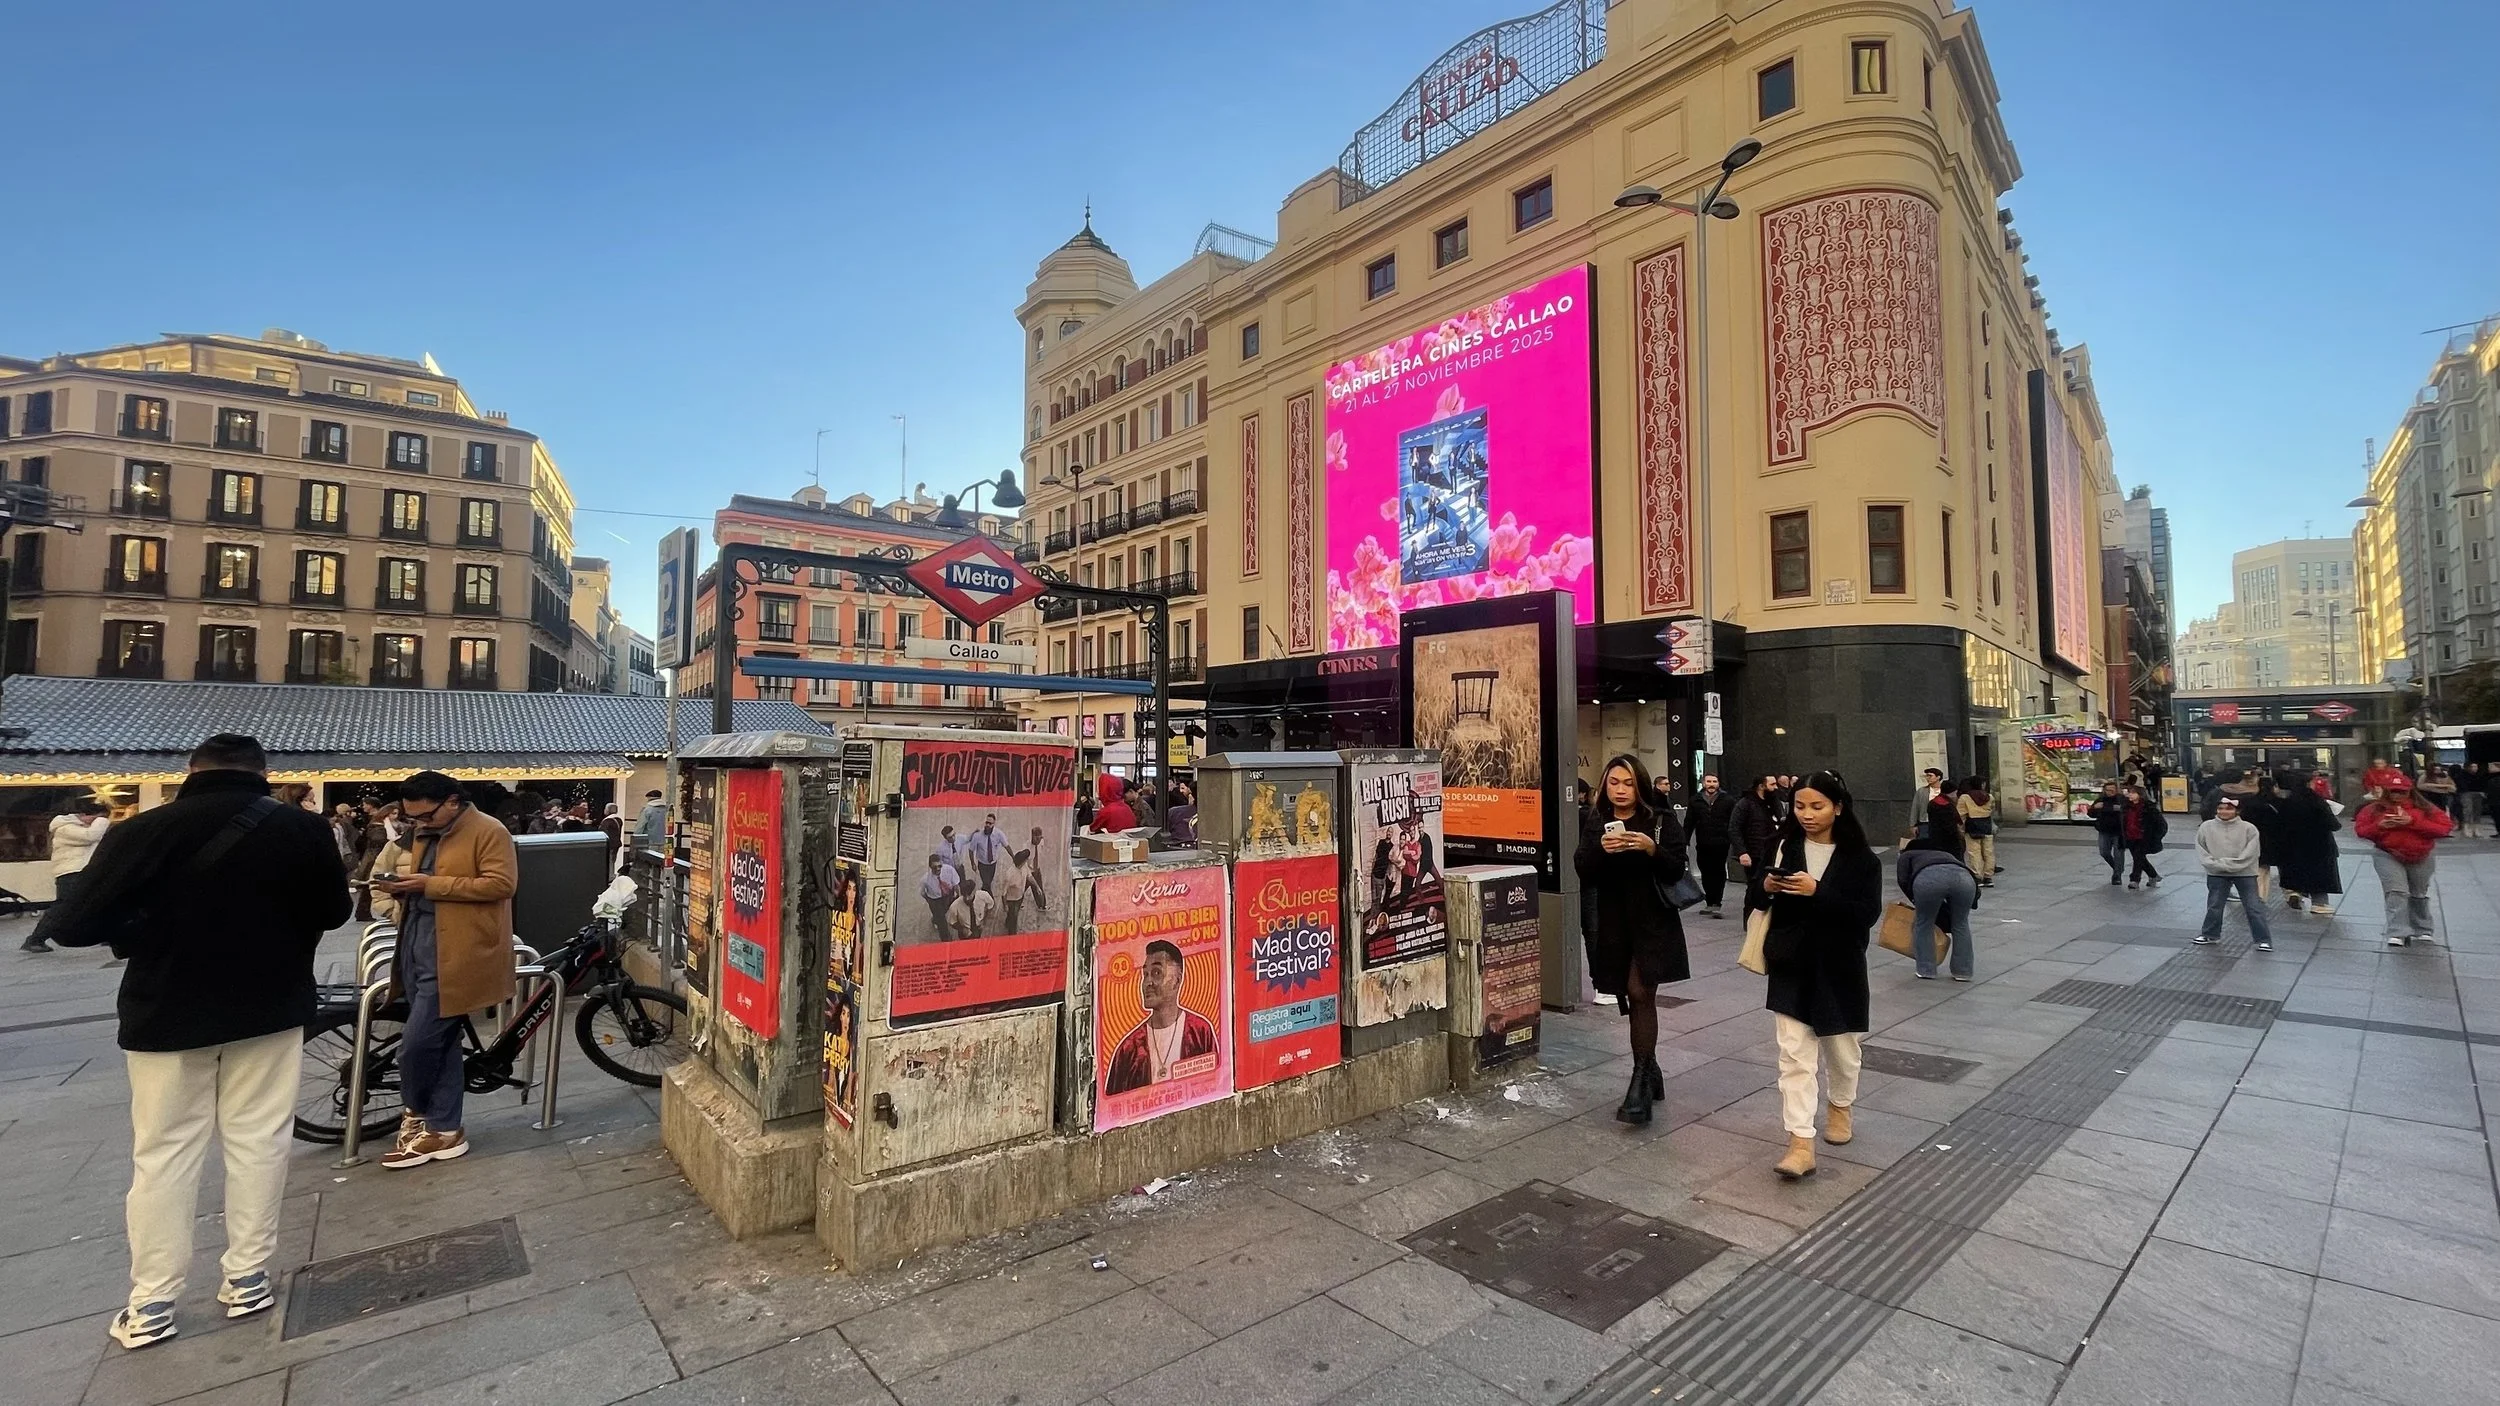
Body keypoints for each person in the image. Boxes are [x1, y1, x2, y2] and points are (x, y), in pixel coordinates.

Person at [27, 733, 350, 1349]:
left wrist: (148, 925)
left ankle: (152, 1301)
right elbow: (334, 913)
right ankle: (248, 1276)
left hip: (167, 1010)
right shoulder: (301, 830)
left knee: (164, 1154)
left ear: (191, 769)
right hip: (271, 1004)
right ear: (262, 772)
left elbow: (70, 926)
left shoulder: (143, 830)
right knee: (260, 1141)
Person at [369, 770, 518, 1170]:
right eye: (412, 817)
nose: (419, 823)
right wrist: (402, 887)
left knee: (416, 1047)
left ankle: (416, 1112)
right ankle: (445, 1129)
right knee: (442, 1043)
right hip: (417, 942)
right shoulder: (424, 831)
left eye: (426, 816)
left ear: (453, 801)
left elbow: (501, 885)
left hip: (458, 952)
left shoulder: (489, 830)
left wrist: (429, 885)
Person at [1758, 770, 1882, 1181]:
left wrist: (1819, 892)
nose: (1807, 814)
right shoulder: (1782, 845)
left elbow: (1866, 914)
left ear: (1838, 808)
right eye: (1799, 806)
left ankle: (1841, 1105)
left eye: (1817, 806)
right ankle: (1800, 1142)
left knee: (1843, 1052)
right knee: (1794, 1055)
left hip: (1840, 966)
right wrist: (1767, 886)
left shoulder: (1861, 858)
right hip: (1791, 962)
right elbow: (1756, 896)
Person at [1573, 754, 1691, 1125]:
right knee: (1628, 995)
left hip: (1653, 921)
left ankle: (1639, 1080)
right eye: (1613, 783)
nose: (1620, 790)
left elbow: (1676, 866)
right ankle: (1651, 1069)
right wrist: (1600, 851)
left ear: (1639, 784)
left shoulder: (1659, 819)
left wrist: (1650, 848)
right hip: (1615, 922)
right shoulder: (1597, 821)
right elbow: (1582, 867)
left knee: (1641, 992)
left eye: (1627, 783)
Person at [1102, 939, 1218, 1094]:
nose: (1147, 982)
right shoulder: (1128, 1049)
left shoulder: (1200, 1031)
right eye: (1145, 974)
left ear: (1177, 981)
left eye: (1157, 973)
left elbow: (1215, 1084)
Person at [2355, 773, 2454, 947]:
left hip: (2421, 855)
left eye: (2401, 792)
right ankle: (2397, 931)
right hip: (2387, 853)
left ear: (2410, 791)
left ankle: (2423, 929)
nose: (2397, 795)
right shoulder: (2373, 809)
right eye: (2393, 791)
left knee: (2418, 893)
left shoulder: (2426, 808)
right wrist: (2379, 826)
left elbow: (2444, 828)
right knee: (2396, 892)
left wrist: (2412, 822)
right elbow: (2361, 830)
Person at [1898, 800, 1980, 981]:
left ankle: (1926, 969)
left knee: (1924, 923)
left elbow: (1903, 880)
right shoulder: (1944, 853)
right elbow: (1967, 874)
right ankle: (1963, 972)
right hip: (1964, 880)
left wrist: (1915, 900)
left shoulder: (1908, 854)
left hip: (1928, 880)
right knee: (1960, 924)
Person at [23, 799, 110, 952]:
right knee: (63, 908)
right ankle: (36, 939)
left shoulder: (81, 827)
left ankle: (108, 934)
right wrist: (103, 820)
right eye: (97, 817)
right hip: (70, 873)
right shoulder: (65, 828)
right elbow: (91, 836)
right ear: (84, 815)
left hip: (84, 871)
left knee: (101, 901)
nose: (99, 822)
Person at [2194, 796, 2275, 950]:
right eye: (2221, 808)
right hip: (2216, 872)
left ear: (2237, 811)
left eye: (2229, 808)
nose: (2224, 812)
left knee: (2253, 906)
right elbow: (2201, 849)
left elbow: (2251, 852)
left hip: (2244, 872)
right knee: (2214, 905)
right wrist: (2214, 864)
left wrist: (2228, 864)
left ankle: (2263, 939)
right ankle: (2210, 934)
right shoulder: (2206, 827)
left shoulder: (2249, 828)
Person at [2271, 775, 2343, 917]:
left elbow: (2279, 824)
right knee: (2319, 875)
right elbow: (2333, 825)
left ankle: (2295, 892)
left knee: (2296, 870)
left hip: (2292, 845)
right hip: (2319, 845)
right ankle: (2319, 903)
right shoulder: (2317, 801)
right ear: (2309, 784)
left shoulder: (2287, 802)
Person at [1687, 773, 1736, 918]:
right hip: (1703, 842)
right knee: (1705, 871)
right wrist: (1685, 840)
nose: (1711, 784)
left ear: (1718, 783)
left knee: (1718, 871)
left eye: (1714, 781)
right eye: (1709, 781)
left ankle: (1716, 902)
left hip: (1721, 842)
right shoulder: (1695, 800)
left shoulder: (1728, 800)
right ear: (1703, 783)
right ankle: (1710, 900)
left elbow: (1734, 822)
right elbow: (1689, 822)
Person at [1731, 775, 1780, 916]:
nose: (1775, 787)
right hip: (1754, 853)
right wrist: (1742, 852)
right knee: (1754, 886)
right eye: (1772, 784)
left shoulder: (1772, 803)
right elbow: (1734, 828)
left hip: (1771, 851)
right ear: (1761, 786)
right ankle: (1750, 918)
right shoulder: (1745, 804)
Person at [2120, 783, 2167, 889]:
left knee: (2138, 858)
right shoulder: (2126, 807)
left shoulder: (2149, 807)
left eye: (2133, 793)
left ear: (2140, 794)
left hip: (2143, 837)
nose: (2130, 795)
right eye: (2129, 793)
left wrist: (2156, 836)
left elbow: (2161, 824)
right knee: (2139, 858)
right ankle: (2153, 875)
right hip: (2130, 836)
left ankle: (2134, 880)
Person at [1956, 777, 1999, 885]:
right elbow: (1992, 810)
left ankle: (1977, 876)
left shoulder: (1964, 798)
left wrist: (1960, 829)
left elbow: (1960, 816)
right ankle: (1988, 876)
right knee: (1988, 852)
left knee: (1974, 852)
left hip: (1972, 827)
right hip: (1986, 826)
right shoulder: (1989, 797)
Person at [2088, 780, 2128, 884]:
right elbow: (2091, 814)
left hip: (2119, 831)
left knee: (2118, 854)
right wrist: (2094, 808)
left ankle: (2117, 876)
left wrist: (2112, 808)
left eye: (2112, 790)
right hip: (2104, 830)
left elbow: (2127, 810)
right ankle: (2117, 868)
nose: (2110, 792)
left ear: (2116, 790)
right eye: (2108, 790)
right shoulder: (2100, 799)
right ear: (2104, 791)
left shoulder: (2121, 799)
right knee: (2104, 852)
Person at [994, 847, 1035, 931]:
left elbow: (1029, 876)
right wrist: (1005, 905)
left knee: (1012, 914)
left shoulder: (1024, 867)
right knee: (1014, 917)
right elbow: (1004, 893)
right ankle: (1012, 933)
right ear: (1022, 861)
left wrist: (1037, 886)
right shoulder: (1009, 874)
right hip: (1011, 899)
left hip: (1020, 896)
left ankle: (1008, 921)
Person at [918, 853, 960, 934]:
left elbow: (956, 884)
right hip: (935, 900)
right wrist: (929, 900)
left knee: (944, 910)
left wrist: (958, 896)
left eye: (939, 866)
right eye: (934, 867)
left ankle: (935, 919)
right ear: (930, 867)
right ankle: (946, 939)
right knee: (942, 922)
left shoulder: (949, 870)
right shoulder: (925, 879)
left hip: (948, 895)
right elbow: (922, 893)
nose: (937, 869)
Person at [965, 814, 1007, 892]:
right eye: (986, 822)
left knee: (988, 883)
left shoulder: (998, 834)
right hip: (982, 864)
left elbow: (1006, 846)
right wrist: (973, 863)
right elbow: (971, 850)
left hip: (993, 864)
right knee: (986, 883)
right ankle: (991, 901)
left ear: (994, 824)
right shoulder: (977, 836)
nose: (987, 825)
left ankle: (983, 895)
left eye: (990, 823)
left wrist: (1014, 857)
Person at [598, 802, 625, 872]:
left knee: (608, 861)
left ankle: (609, 877)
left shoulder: (607, 821)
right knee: (612, 861)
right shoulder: (618, 820)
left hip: (609, 845)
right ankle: (611, 874)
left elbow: (603, 833)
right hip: (616, 843)